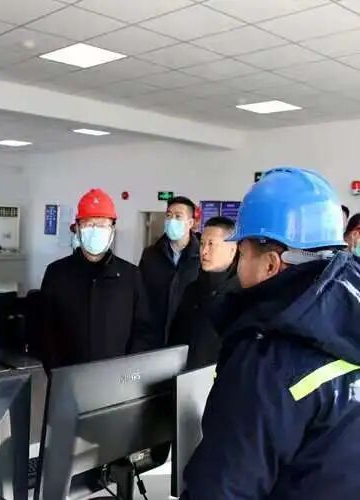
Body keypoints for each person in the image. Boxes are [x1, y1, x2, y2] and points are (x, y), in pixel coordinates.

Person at [181, 167, 360, 500]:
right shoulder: (349, 318)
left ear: (270, 264)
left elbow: (222, 489)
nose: (238, 265)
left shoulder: (267, 360)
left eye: (242, 253)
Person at [40, 189, 158, 370]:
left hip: (117, 377)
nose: (95, 231)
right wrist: (56, 372)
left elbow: (143, 331)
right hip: (68, 377)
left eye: (102, 225)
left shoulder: (130, 275)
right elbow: (44, 330)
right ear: (77, 228)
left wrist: (128, 372)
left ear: (112, 230)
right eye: (89, 224)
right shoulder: (57, 273)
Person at [168, 216, 239, 369]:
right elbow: (175, 338)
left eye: (211, 244)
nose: (204, 251)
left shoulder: (241, 296)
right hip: (185, 376)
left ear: (232, 250)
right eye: (202, 244)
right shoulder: (192, 290)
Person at [139, 196, 200, 345]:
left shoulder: (201, 257)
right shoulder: (150, 255)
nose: (172, 220)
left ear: (190, 223)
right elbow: (140, 295)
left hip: (186, 340)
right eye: (169, 215)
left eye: (178, 216)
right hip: (152, 338)